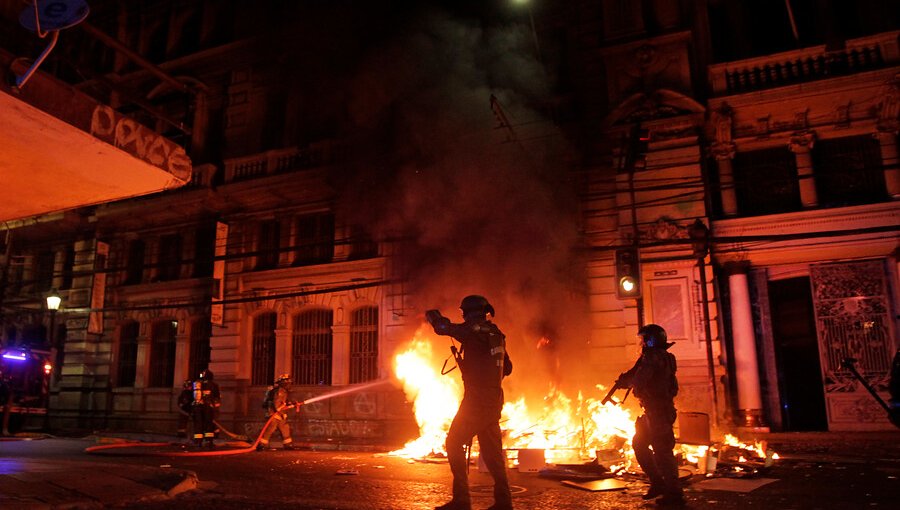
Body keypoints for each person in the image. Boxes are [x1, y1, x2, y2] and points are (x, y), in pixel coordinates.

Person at [426, 295, 513, 510]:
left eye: (464, 312)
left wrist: (433, 316)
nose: (463, 316)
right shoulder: (497, 334)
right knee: (492, 454)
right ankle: (504, 502)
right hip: (494, 400)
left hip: (477, 400)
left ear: (469, 312)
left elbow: (444, 328)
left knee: (454, 442)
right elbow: (508, 369)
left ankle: (462, 500)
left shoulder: (475, 331)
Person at [615, 324, 684, 506]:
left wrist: (626, 382)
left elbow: (639, 381)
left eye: (643, 339)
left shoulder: (651, 358)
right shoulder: (665, 357)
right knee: (639, 443)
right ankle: (658, 483)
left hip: (658, 412)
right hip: (654, 411)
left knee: (662, 452)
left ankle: (675, 494)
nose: (641, 343)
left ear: (650, 340)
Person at [258, 373, 299, 451]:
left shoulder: (282, 390)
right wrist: (281, 412)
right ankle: (261, 444)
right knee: (270, 429)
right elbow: (277, 404)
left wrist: (291, 403)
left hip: (279, 414)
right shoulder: (280, 391)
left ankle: (287, 444)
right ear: (284, 382)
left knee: (285, 428)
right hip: (274, 414)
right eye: (288, 381)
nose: (289, 383)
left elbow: (283, 402)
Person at [190, 369, 221, 448]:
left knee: (198, 423)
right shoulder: (213, 385)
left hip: (197, 406)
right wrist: (216, 405)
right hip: (208, 407)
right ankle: (208, 441)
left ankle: (198, 441)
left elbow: (192, 396)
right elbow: (217, 396)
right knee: (208, 423)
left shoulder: (198, 384)